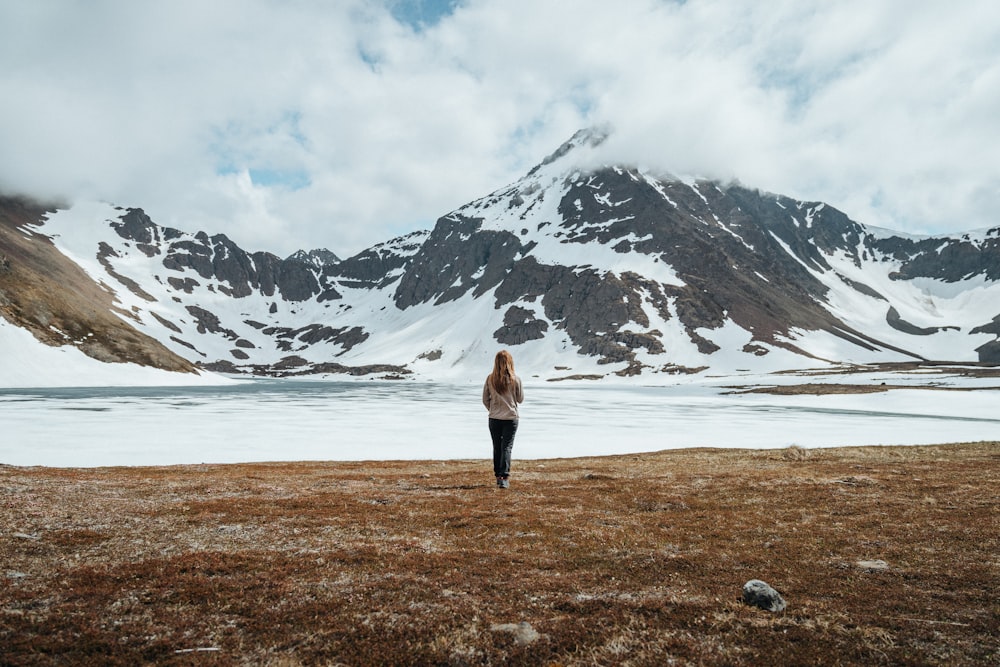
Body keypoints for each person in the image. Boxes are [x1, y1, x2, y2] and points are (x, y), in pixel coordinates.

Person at [482, 350, 524, 489]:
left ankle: (498, 476)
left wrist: (493, 410)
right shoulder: (515, 379)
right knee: (507, 447)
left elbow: (485, 399)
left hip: (494, 418)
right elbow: (520, 399)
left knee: (497, 446)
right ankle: (504, 476)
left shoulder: (490, 379)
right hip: (511, 417)